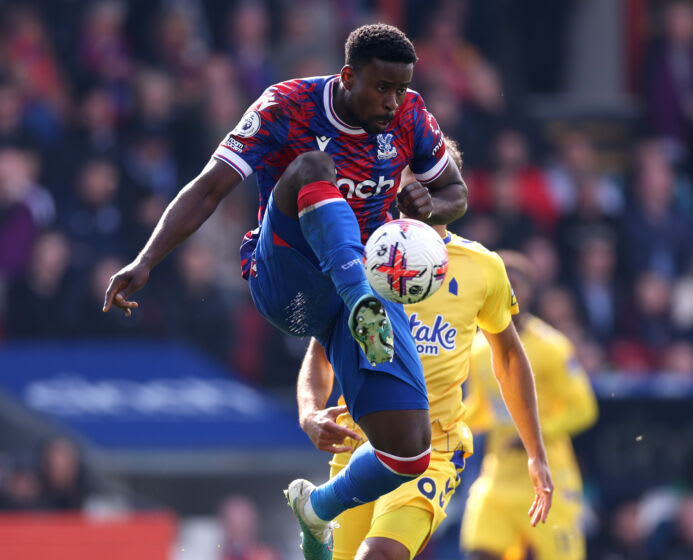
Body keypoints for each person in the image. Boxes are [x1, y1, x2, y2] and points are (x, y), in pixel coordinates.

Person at [102, 24, 467, 560]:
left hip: (356, 293)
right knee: (314, 169)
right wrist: (147, 258)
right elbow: (209, 186)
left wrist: (431, 207)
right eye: (381, 88)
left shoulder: (412, 115)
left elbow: (455, 191)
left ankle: (317, 509)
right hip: (287, 277)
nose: (392, 102)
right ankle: (362, 299)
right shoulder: (287, 104)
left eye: (400, 88)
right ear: (347, 76)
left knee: (410, 451)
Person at [296, 139, 553, 560]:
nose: (417, 191)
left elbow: (508, 357)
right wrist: (309, 412)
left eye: (431, 180)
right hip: (361, 444)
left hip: (435, 447)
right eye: (410, 178)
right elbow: (320, 352)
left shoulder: (482, 267)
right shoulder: (359, 256)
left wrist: (536, 453)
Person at [461, 250, 598, 560]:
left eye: (515, 285)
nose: (508, 292)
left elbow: (584, 409)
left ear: (528, 293)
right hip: (498, 478)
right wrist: (448, 426)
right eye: (501, 284)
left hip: (548, 477)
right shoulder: (479, 350)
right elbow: (482, 409)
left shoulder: (553, 347)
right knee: (479, 552)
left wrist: (534, 435)